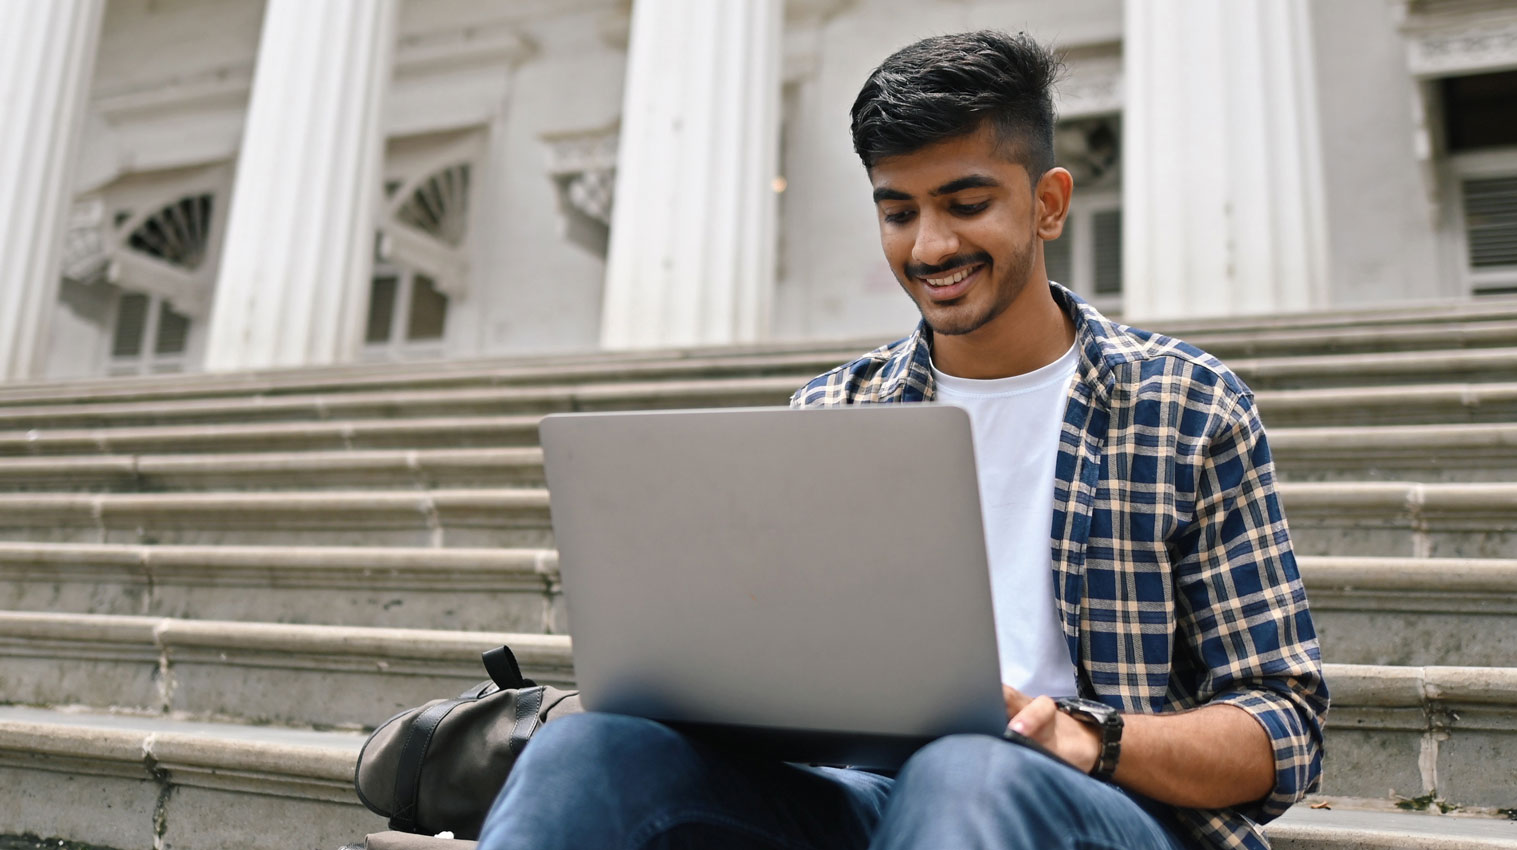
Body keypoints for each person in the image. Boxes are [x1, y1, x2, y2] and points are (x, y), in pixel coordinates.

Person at [477, 31, 1326, 850]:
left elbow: (1282, 727)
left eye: (965, 204)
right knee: (589, 751)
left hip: (1099, 810)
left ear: (1048, 203)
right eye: (898, 212)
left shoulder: (1185, 404)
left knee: (967, 770)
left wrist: (1085, 736)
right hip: (867, 798)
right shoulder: (833, 408)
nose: (930, 247)